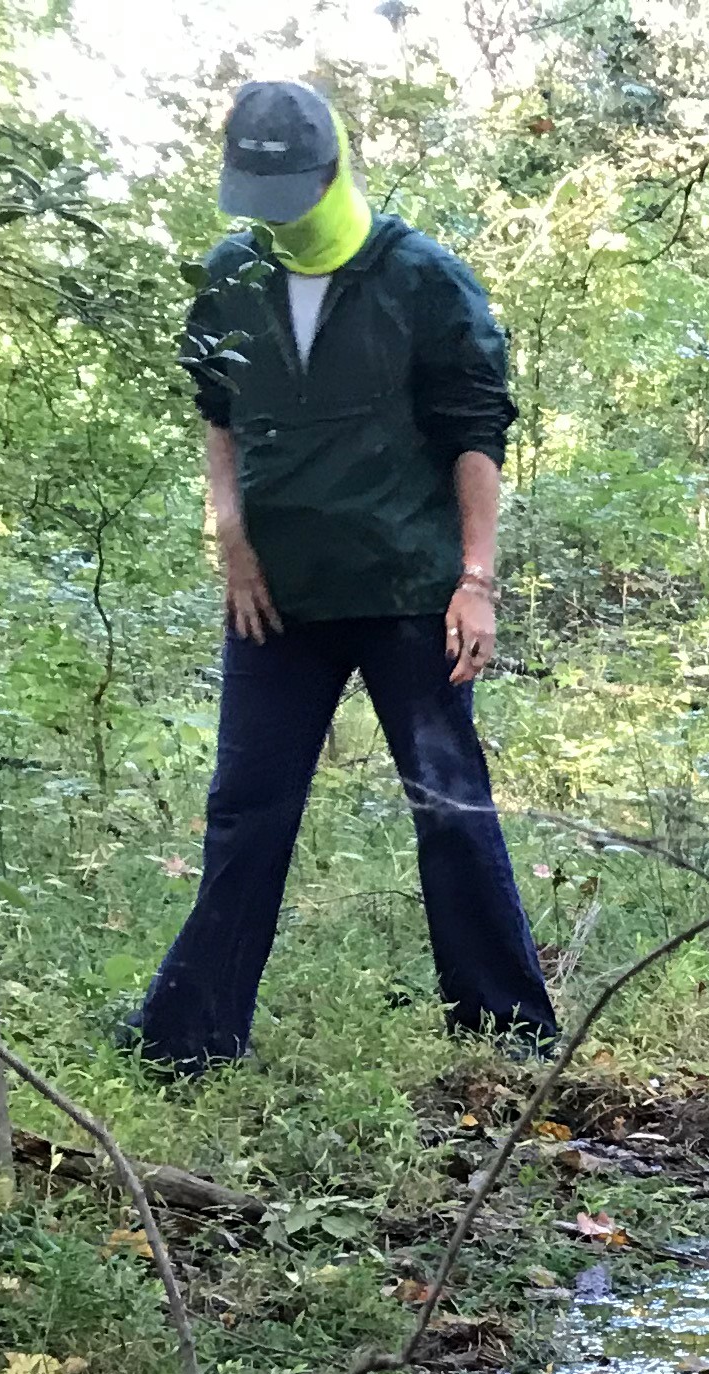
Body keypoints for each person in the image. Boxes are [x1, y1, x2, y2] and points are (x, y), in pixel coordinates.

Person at [129, 79, 555, 1070]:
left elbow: (475, 432)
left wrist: (476, 580)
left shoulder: (422, 279)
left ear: (333, 169)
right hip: (276, 599)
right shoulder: (233, 275)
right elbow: (219, 413)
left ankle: (507, 1033)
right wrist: (230, 539)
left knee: (450, 807)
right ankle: (189, 1040)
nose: (276, 214)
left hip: (411, 591)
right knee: (246, 809)